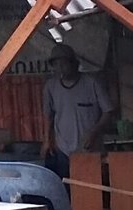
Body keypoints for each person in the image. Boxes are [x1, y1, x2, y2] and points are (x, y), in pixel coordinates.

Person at [41, 46, 113, 179]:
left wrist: (93, 133)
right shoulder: (51, 86)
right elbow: (48, 115)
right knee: (66, 189)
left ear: (74, 64)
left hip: (89, 149)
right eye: (56, 64)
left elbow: (108, 111)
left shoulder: (92, 83)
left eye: (63, 64)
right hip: (63, 149)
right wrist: (47, 141)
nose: (60, 68)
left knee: (91, 189)